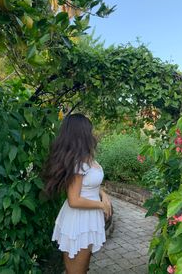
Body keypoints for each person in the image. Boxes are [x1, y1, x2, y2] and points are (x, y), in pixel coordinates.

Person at [45, 113, 112, 274]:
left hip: (88, 219)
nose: (93, 134)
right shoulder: (78, 163)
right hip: (78, 222)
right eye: (90, 130)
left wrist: (104, 194)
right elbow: (73, 200)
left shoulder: (86, 157)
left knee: (82, 268)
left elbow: (90, 185)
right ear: (81, 133)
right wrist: (100, 204)